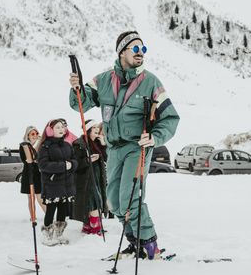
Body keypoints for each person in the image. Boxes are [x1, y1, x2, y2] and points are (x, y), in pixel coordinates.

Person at [69, 30, 180, 259]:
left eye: (143, 49)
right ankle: (134, 243)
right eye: (136, 49)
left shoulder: (151, 82)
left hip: (137, 147)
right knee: (115, 202)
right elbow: (79, 103)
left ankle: (150, 246)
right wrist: (77, 88)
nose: (141, 53)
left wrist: (155, 138)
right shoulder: (104, 80)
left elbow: (170, 118)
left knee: (131, 197)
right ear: (122, 52)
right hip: (113, 148)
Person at [36, 119, 78, 246]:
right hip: (52, 184)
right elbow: (43, 165)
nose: (61, 129)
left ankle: (59, 234)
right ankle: (48, 235)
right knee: (51, 209)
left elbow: (75, 161)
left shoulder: (67, 145)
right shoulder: (45, 147)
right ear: (50, 130)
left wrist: (72, 164)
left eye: (63, 127)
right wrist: (63, 166)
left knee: (63, 209)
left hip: (66, 183)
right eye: (58, 127)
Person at [72, 120, 107, 235]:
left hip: (97, 177)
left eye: (97, 127)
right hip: (86, 178)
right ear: (88, 130)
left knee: (95, 200)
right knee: (93, 202)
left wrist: (103, 144)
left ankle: (88, 226)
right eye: (94, 127)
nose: (97, 129)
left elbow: (107, 158)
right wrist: (88, 160)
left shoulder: (97, 143)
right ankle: (95, 227)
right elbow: (76, 163)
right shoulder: (79, 144)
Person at [19, 126, 45, 214]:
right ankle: (33, 216)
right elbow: (31, 157)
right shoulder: (24, 145)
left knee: (39, 197)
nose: (35, 135)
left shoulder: (37, 145)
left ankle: (49, 216)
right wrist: (38, 142)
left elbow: (38, 156)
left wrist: (40, 142)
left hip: (37, 173)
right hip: (28, 173)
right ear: (28, 135)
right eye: (32, 134)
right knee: (30, 198)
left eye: (36, 133)